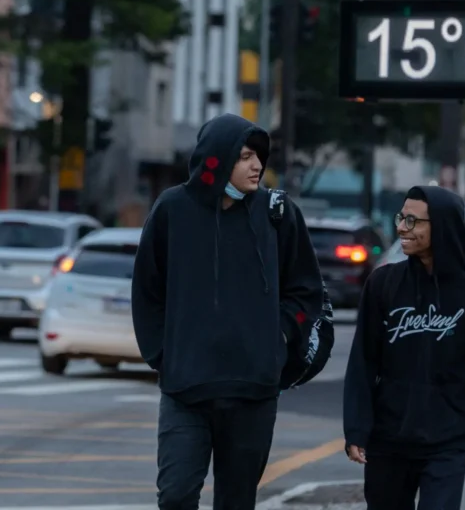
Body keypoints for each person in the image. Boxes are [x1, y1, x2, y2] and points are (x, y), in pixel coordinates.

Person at [131, 113, 324, 510]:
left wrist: (280, 337)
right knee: (175, 494)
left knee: (236, 502)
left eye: (260, 157)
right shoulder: (172, 209)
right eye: (245, 156)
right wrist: (162, 356)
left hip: (252, 391)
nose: (257, 166)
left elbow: (307, 292)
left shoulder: (278, 214)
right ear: (217, 158)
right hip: (186, 389)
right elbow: (147, 291)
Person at [343, 186, 465, 510]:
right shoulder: (383, 284)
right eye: (402, 217)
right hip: (388, 440)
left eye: (413, 221)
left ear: (440, 225)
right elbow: (363, 363)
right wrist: (356, 429)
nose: (401, 227)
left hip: (448, 441)